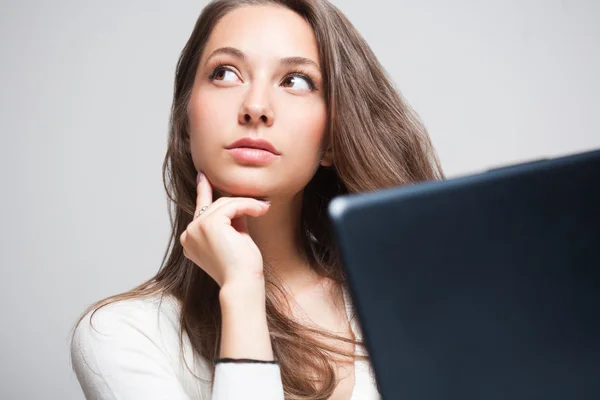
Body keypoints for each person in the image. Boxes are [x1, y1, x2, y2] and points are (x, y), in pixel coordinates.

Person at [69, 0, 444, 399]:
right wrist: (242, 291)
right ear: (184, 122)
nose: (255, 108)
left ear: (332, 138)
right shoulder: (121, 335)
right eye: (226, 73)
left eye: (296, 81)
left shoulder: (409, 306)